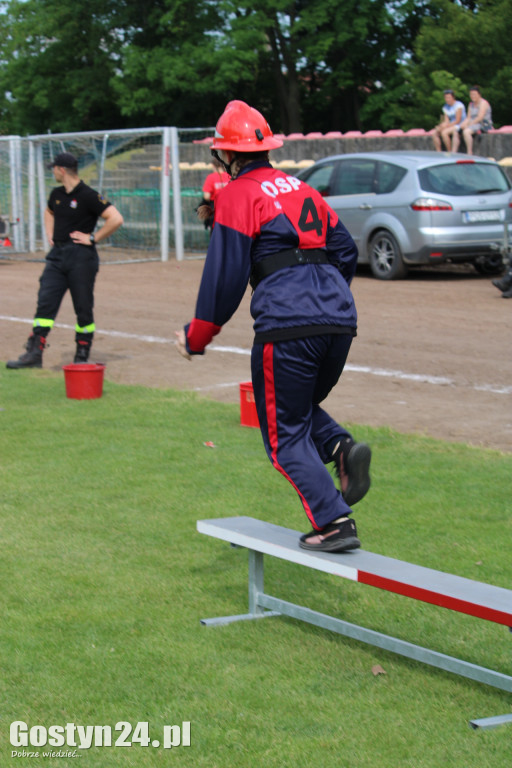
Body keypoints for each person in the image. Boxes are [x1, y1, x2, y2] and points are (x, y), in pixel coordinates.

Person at [175, 100, 371, 553]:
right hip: (339, 320)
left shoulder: (238, 195)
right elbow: (343, 249)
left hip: (288, 326)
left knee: (282, 438)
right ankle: (340, 448)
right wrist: (324, 296)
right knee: (293, 410)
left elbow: (223, 280)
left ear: (226, 155)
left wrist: (196, 336)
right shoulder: (302, 189)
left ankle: (334, 522)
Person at [6, 152, 123, 369]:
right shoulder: (57, 194)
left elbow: (115, 218)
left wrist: (93, 238)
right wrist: (50, 233)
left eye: (53, 168)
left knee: (83, 307)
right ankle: (34, 353)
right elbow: (49, 212)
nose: (52, 171)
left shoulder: (88, 195)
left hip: (81, 258)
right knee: (45, 304)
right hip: (57, 257)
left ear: (62, 170)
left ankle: (81, 355)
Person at [452, 86, 493, 155]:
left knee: (466, 132)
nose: (472, 96)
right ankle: (453, 152)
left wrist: (468, 125)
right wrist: (462, 124)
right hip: (473, 123)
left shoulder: (483, 103)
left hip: (484, 123)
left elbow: (480, 117)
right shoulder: (471, 104)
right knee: (456, 131)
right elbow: (468, 117)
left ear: (479, 94)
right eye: (471, 94)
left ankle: (469, 152)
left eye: (474, 94)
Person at [197, 157, 230, 234]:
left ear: (213, 166)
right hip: (229, 210)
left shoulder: (211, 177)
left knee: (216, 234)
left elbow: (207, 196)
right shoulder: (229, 176)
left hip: (216, 210)